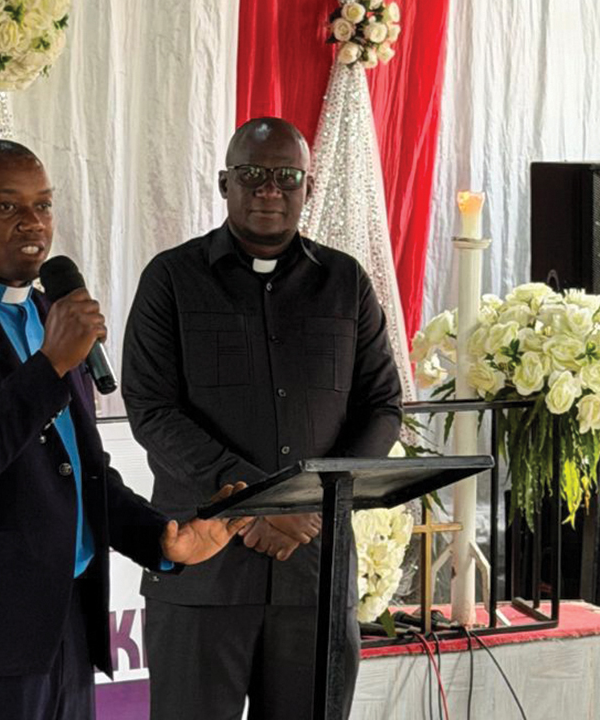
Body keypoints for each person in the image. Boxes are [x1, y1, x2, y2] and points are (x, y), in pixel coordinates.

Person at [0, 139, 251, 720]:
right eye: (6, 207)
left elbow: (75, 466)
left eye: (43, 206)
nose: (33, 224)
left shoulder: (50, 316)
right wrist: (48, 368)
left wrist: (161, 538)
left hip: (65, 622)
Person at [122, 117, 405, 719]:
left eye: (286, 176)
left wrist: (314, 500)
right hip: (203, 573)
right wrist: (259, 503)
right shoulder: (170, 279)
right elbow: (151, 410)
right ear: (225, 182)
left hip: (314, 572)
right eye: (252, 175)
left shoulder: (345, 282)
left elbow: (382, 406)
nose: (269, 189)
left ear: (309, 187)